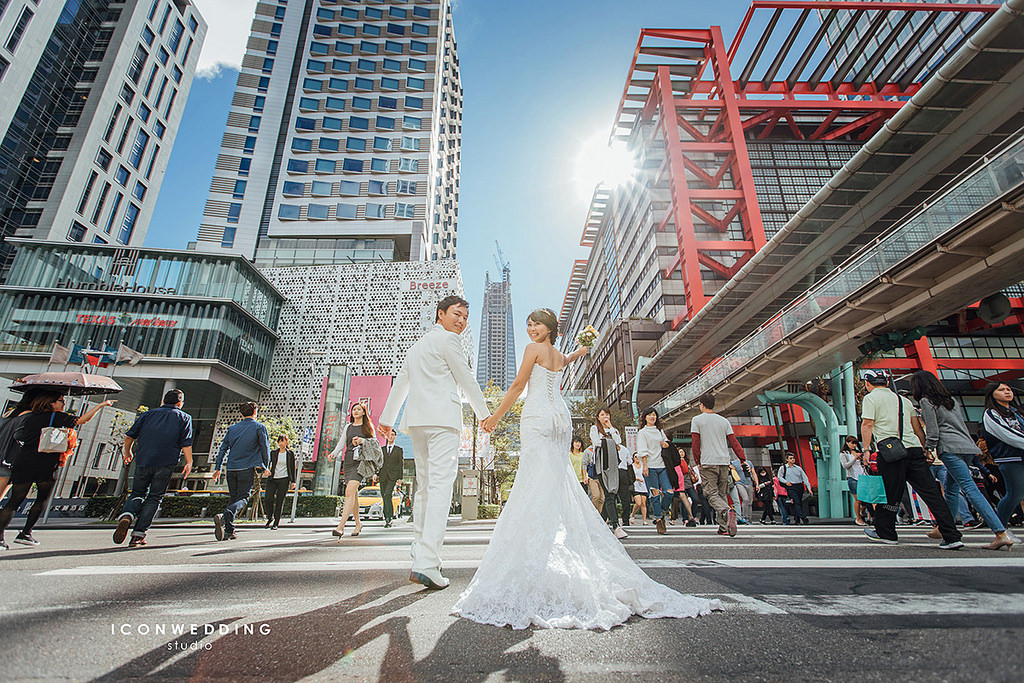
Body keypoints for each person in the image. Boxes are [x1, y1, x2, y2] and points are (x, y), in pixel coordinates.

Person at [452, 308, 720, 629]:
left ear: (549, 329)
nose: (530, 328)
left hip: (538, 417)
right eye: (529, 323)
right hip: (560, 420)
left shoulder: (533, 350)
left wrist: (495, 417)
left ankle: (536, 549)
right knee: (552, 481)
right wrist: (580, 350)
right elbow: (566, 361)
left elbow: (517, 385)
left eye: (536, 324)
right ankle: (548, 541)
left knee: (535, 482)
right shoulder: (555, 353)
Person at [379, 295, 491, 590]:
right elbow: (467, 379)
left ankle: (420, 550)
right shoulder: (449, 341)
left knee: (425, 487)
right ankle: (428, 560)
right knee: (441, 486)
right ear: (440, 314)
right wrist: (485, 415)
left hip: (417, 421)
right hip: (442, 420)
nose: (462, 321)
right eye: (457, 314)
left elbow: (401, 381)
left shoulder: (416, 347)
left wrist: (387, 418)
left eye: (466, 318)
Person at [911, 371, 1013, 551]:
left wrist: (928, 449)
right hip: (966, 447)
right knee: (952, 488)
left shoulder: (927, 402)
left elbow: (933, 431)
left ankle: (1000, 533)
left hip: (950, 449)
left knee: (969, 488)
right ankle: (944, 528)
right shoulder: (952, 401)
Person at [859, 371, 962, 548]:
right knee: (932, 493)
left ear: (867, 383)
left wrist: (867, 450)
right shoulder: (903, 400)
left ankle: (887, 533)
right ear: (887, 382)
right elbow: (917, 429)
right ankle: (952, 535)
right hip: (914, 450)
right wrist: (925, 450)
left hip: (890, 451)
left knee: (891, 494)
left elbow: (867, 424)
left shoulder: (871, 398)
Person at [0, 392, 113, 549]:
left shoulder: (30, 417)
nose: (63, 404)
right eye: (60, 401)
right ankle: (25, 533)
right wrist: (101, 405)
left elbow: (20, 435)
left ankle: (0, 537)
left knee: (14, 501)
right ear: (50, 403)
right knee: (41, 499)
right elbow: (82, 420)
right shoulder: (58, 417)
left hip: (24, 463)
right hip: (46, 464)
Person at [112, 389, 193, 547]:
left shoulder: (147, 414)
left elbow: (129, 436)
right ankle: (138, 534)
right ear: (180, 403)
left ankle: (127, 514)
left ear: (164, 401)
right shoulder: (184, 417)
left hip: (143, 460)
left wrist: (127, 452)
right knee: (154, 497)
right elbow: (186, 442)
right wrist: (189, 462)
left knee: (137, 492)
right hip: (165, 463)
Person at [691, 392, 747, 537]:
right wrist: (742, 458)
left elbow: (696, 444)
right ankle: (723, 527)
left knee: (710, 494)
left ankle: (726, 511)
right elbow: (733, 441)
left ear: (702, 405)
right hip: (724, 462)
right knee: (722, 493)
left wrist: (697, 461)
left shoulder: (697, 420)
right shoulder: (724, 421)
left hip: (708, 461)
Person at [212, 401, 270, 542]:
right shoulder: (259, 427)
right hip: (246, 468)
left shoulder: (232, 429)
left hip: (231, 468)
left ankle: (229, 532)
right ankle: (225, 516)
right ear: (255, 412)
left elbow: (223, 449)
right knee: (243, 498)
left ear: (241, 413)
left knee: (234, 498)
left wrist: (218, 467)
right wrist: (266, 466)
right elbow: (265, 448)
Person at [980, 381, 1024, 532]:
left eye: (1008, 389)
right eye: (1001, 390)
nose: (1007, 392)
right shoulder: (991, 414)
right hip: (1010, 458)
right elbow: (1006, 434)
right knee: (1015, 495)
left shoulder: (1016, 413)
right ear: (992, 394)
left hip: (1021, 455)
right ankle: (1000, 528)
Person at [327, 402, 376, 537]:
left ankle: (341, 526)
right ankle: (358, 524)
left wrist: (362, 441)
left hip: (360, 463)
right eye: (354, 409)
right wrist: (334, 453)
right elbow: (342, 443)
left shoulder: (367, 427)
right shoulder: (348, 427)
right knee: (353, 494)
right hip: (348, 461)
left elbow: (374, 445)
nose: (355, 411)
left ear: (364, 412)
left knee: (349, 492)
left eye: (358, 409)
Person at [589, 408, 627, 539]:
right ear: (598, 417)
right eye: (602, 415)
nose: (605, 417)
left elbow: (619, 442)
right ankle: (616, 526)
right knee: (610, 494)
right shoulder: (595, 429)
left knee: (610, 494)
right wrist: (611, 442)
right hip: (602, 465)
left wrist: (610, 428)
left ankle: (599, 523)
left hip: (613, 465)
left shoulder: (612, 430)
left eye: (607, 414)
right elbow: (597, 443)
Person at [637, 408, 672, 535]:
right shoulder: (642, 433)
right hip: (650, 467)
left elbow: (666, 443)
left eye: (654, 415)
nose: (652, 417)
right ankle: (659, 521)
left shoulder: (660, 431)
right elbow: (642, 450)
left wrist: (666, 444)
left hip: (662, 466)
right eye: (650, 415)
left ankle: (661, 512)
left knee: (669, 492)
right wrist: (644, 466)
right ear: (645, 417)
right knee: (655, 494)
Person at [263, 435, 296, 530]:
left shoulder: (290, 454)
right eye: (279, 441)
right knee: (268, 499)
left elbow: (292, 468)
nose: (281, 443)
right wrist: (266, 470)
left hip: (284, 479)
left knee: (279, 501)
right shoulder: (273, 453)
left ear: (286, 442)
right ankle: (270, 517)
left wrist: (293, 481)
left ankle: (276, 523)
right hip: (272, 478)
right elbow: (268, 463)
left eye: (283, 441)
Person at [840, 436, 868, 526]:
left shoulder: (858, 452)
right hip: (853, 478)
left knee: (867, 499)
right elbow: (845, 465)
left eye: (855, 443)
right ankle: (858, 518)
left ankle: (862, 512)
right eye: (852, 443)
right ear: (847, 443)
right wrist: (855, 458)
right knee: (857, 499)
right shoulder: (844, 454)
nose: (854, 445)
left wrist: (862, 460)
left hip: (863, 476)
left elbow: (863, 465)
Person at [777, 453, 811, 525]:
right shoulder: (783, 468)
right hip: (791, 486)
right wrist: (786, 482)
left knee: (798, 503)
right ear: (787, 459)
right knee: (796, 501)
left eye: (793, 458)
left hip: (799, 486)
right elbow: (780, 477)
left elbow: (805, 478)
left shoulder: (798, 468)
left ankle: (797, 519)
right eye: (790, 458)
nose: (792, 460)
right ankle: (803, 517)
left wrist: (809, 488)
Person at [379, 430, 404, 528]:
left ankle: (389, 518)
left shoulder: (398, 450)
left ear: (395, 437)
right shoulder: (382, 449)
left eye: (392, 435)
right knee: (385, 497)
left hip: (393, 476)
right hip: (383, 475)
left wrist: (400, 478)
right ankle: (387, 517)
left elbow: (400, 464)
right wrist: (376, 474)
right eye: (389, 435)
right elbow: (379, 463)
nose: (390, 436)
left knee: (387, 494)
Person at [730, 457, 759, 524]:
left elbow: (754, 473)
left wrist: (757, 484)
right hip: (739, 482)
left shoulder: (749, 462)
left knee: (750, 501)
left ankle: (749, 518)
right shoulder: (734, 463)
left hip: (749, 483)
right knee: (745, 499)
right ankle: (744, 517)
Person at [630, 454, 648, 524]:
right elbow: (631, 476)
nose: (637, 458)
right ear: (633, 458)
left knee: (643, 503)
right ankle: (632, 514)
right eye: (635, 457)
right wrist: (637, 479)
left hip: (643, 486)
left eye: (638, 457)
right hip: (635, 485)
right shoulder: (632, 466)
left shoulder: (643, 466)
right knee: (638, 502)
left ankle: (644, 520)